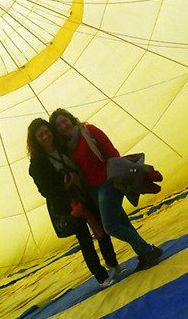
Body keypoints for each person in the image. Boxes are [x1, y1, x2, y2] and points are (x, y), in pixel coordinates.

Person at [49, 109, 163, 271]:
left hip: (107, 184)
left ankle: (148, 250)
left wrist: (116, 175)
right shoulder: (67, 148)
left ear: (71, 119)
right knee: (123, 223)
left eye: (64, 121)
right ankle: (145, 255)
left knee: (110, 226)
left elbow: (111, 152)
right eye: (58, 125)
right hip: (93, 189)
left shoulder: (88, 131)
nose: (63, 126)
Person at [27, 118, 123, 287]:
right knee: (85, 239)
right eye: (40, 135)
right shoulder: (37, 165)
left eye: (47, 132)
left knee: (101, 229)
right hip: (67, 205)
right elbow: (45, 191)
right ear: (35, 140)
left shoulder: (63, 147)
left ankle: (112, 263)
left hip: (83, 194)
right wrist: (65, 187)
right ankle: (101, 277)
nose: (45, 136)